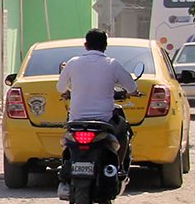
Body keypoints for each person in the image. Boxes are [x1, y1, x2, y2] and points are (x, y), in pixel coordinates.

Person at [58, 29, 138, 175]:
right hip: (105, 121)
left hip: (77, 121)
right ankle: (118, 168)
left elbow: (60, 87)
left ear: (85, 45)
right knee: (124, 129)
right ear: (105, 46)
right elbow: (132, 87)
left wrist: (69, 92)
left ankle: (66, 166)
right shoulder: (112, 64)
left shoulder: (73, 63)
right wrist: (132, 92)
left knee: (66, 137)